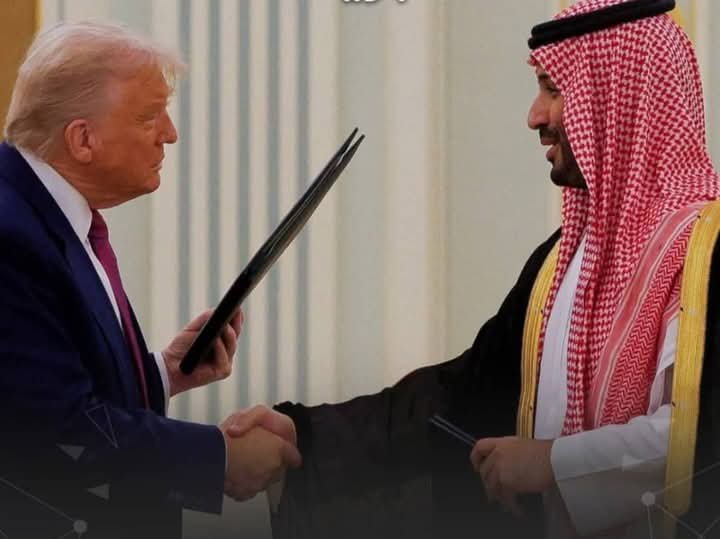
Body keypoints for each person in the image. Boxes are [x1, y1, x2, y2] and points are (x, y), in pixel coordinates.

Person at [263, 1, 720, 538]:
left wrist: (552, 462)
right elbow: (460, 398)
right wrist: (302, 435)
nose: (535, 116)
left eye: (554, 89)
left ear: (622, 100)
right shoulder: (561, 263)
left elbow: (698, 437)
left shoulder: (706, 255)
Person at [0, 21, 300, 539]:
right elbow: (59, 435)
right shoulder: (11, 235)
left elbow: (36, 391)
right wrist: (218, 460)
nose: (170, 133)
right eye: (148, 116)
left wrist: (159, 375)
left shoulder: (48, 215)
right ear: (83, 138)